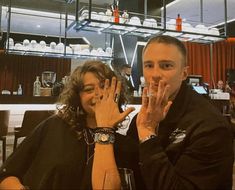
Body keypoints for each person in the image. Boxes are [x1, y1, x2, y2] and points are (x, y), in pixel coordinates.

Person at [0, 60, 145, 189]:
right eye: (89, 89)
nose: (99, 94)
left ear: (116, 92)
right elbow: (7, 175)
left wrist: (105, 129)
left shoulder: (127, 147)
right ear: (78, 97)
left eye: (104, 86)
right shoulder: (53, 127)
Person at [127, 35, 234, 189]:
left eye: (166, 66)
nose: (155, 74)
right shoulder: (144, 115)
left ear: (184, 73)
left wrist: (147, 133)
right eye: (149, 65)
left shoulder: (210, 126)